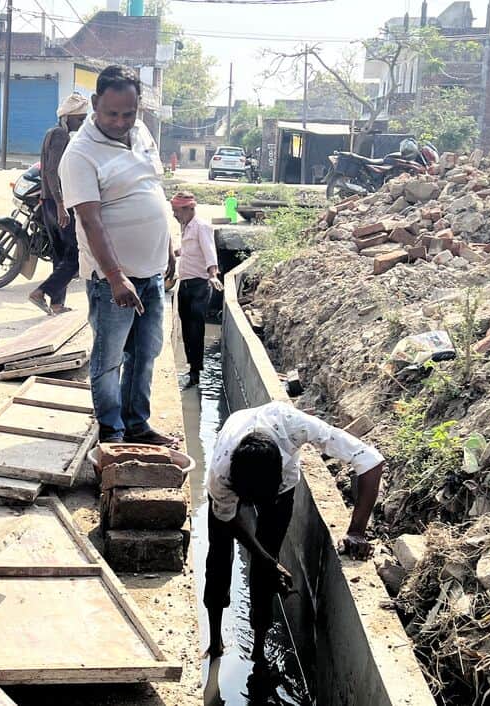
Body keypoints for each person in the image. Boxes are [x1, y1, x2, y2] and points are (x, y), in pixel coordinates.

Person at [204, 402, 384, 662]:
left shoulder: (297, 427)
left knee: (267, 568)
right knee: (219, 557)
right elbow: (227, 518)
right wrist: (264, 558)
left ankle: (258, 651)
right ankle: (215, 642)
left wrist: (356, 530)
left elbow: (370, 461)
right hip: (237, 471)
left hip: (282, 489)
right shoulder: (222, 476)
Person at [58, 65, 178, 448]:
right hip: (113, 280)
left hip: (153, 271)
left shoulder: (140, 132)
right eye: (112, 113)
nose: (120, 121)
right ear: (95, 104)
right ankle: (111, 431)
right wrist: (115, 276)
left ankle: (137, 424)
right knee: (110, 359)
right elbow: (91, 222)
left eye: (129, 113)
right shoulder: (80, 154)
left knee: (145, 354)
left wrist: (170, 242)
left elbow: (152, 188)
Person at [28, 93, 88, 316]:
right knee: (74, 257)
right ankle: (41, 292)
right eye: (79, 119)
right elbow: (52, 171)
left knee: (61, 255)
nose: (81, 123)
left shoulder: (51, 133)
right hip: (57, 203)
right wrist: (62, 204)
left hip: (49, 202)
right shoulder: (61, 134)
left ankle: (56, 304)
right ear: (69, 117)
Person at [171, 191, 223, 387]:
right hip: (184, 285)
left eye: (176, 211)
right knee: (185, 329)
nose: (175, 215)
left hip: (199, 286)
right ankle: (191, 366)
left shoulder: (202, 227)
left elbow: (210, 252)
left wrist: (213, 275)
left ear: (188, 209)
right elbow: (191, 250)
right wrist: (175, 253)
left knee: (196, 329)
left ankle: (195, 372)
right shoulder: (186, 226)